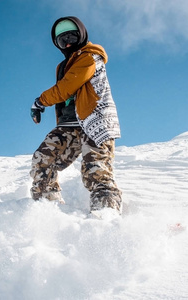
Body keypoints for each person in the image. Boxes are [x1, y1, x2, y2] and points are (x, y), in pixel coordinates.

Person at [30, 16, 122, 215]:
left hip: (96, 121)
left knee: (95, 170)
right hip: (69, 125)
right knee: (43, 159)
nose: (68, 43)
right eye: (62, 40)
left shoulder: (90, 57)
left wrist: (40, 102)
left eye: (72, 36)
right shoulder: (62, 66)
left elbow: (66, 88)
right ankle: (48, 209)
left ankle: (107, 218)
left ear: (82, 35)